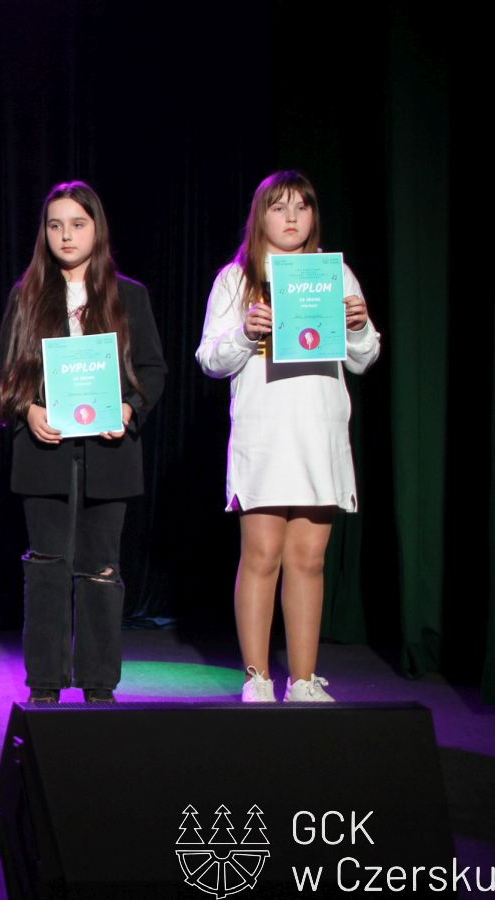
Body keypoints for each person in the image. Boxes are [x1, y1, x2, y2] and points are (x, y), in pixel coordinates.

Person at [196, 170, 379, 703]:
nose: (292, 217)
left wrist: (358, 327)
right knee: (262, 555)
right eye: (279, 207)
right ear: (261, 217)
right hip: (266, 433)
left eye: (302, 206)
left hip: (319, 430)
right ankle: (257, 677)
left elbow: (364, 359)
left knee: (310, 559)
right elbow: (209, 359)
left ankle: (303, 680)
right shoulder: (236, 280)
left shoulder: (335, 274)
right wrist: (244, 333)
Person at [0, 181, 165, 705]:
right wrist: (28, 409)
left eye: (77, 224)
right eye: (55, 225)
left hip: (109, 454)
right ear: (44, 233)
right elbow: (0, 371)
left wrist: (129, 408)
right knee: (46, 566)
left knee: (101, 568)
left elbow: (152, 369)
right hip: (45, 453)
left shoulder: (129, 295)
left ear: (97, 229)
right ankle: (45, 683)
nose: (66, 235)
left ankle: (98, 684)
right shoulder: (27, 295)